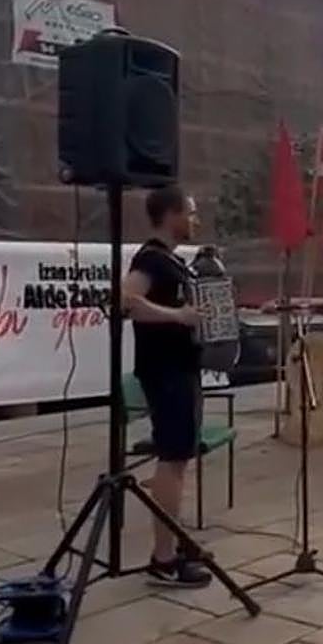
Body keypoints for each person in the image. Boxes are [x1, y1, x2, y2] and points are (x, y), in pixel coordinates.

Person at [122, 185, 209, 588]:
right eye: (190, 212)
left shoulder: (172, 262)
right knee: (172, 460)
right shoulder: (151, 260)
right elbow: (124, 301)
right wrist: (179, 317)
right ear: (171, 214)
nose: (195, 220)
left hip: (179, 370)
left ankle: (173, 543)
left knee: (178, 459)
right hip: (166, 373)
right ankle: (163, 558)